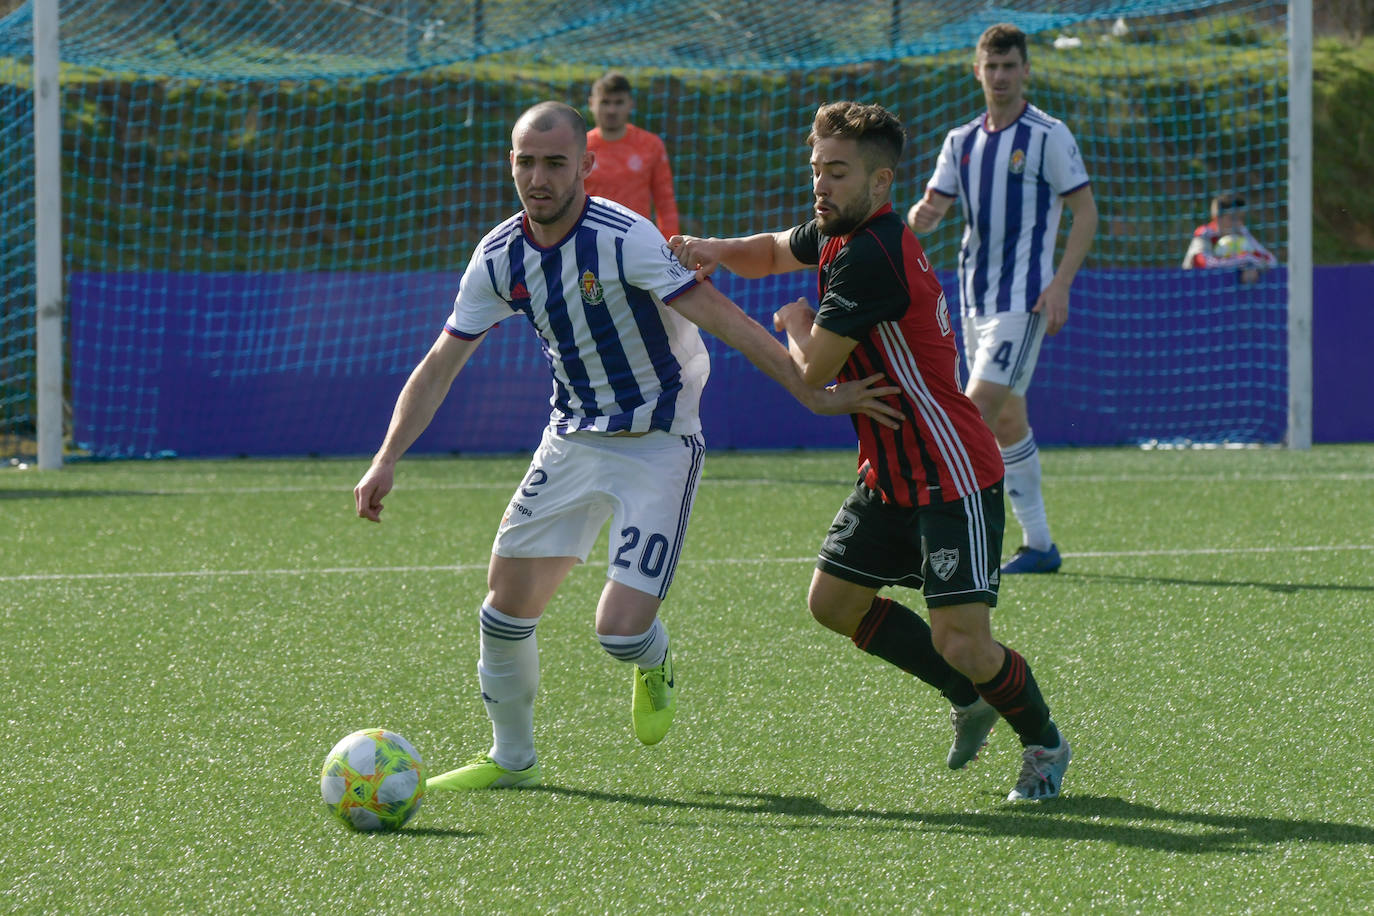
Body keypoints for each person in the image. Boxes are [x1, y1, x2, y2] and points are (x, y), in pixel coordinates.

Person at [353, 101, 899, 792]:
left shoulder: (625, 237)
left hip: (660, 445)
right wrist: (387, 456)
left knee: (618, 634)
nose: (539, 177)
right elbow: (439, 364)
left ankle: (654, 660)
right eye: (526, 161)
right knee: (502, 610)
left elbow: (724, 318)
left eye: (555, 162)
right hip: (572, 440)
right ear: (511, 164)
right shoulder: (499, 256)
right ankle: (512, 758)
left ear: (587, 165)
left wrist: (809, 390)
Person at [670, 100, 1071, 801]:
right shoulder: (838, 230)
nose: (821, 185)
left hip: (950, 471)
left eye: (838, 172)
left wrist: (796, 321)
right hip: (890, 470)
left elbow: (814, 370)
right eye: (817, 170)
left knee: (965, 642)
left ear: (881, 184)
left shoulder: (874, 253)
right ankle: (969, 696)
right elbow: (769, 249)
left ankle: (1043, 744)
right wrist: (714, 249)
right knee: (833, 602)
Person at [906, 23, 1099, 575]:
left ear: (1026, 71)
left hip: (1025, 300)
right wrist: (922, 218)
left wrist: (1060, 283)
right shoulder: (960, 141)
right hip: (972, 301)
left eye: (1009, 66)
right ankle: (1039, 545)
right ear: (977, 70)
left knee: (971, 411)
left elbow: (1085, 212)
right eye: (991, 67)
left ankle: (941, 541)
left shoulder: (1048, 135)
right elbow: (932, 209)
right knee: (1009, 422)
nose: (1000, 76)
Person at [585, 71, 682, 238]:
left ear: (631, 104)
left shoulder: (651, 145)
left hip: (636, 241)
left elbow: (665, 203)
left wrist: (671, 247)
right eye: (605, 102)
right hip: (588, 240)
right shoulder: (580, 147)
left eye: (619, 102)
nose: (611, 110)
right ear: (592, 104)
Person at [1181, 192, 1276, 284]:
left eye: (1241, 218)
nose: (1238, 223)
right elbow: (1204, 263)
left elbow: (1270, 260)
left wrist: (1252, 266)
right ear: (1217, 218)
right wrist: (1244, 261)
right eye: (1233, 218)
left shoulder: (1241, 231)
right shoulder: (1204, 233)